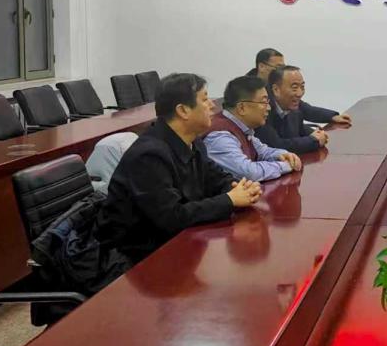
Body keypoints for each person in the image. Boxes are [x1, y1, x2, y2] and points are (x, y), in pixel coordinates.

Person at [95, 73, 262, 264]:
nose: (212, 105)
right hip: (132, 258)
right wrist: (230, 200)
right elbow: (172, 217)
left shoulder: (193, 142)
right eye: (205, 99)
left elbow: (215, 178)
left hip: (172, 244)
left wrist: (240, 189)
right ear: (183, 111)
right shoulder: (149, 156)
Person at [204, 76, 302, 181]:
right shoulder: (220, 136)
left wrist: (284, 155)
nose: (269, 108)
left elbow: (263, 152)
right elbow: (249, 173)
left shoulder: (242, 128)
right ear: (242, 108)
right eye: (264, 102)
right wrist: (285, 166)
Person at [248, 47, 352, 127]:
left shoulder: (273, 85)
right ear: (261, 66)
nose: (281, 71)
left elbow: (304, 108)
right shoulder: (249, 90)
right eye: (278, 67)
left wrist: (332, 116)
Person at [256, 65, 329, 153]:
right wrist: (314, 140)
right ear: (276, 90)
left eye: (302, 87)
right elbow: (277, 146)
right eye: (294, 88)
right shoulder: (263, 112)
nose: (300, 93)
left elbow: (300, 129)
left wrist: (317, 134)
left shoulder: (294, 110)